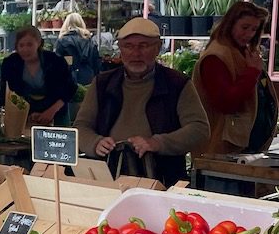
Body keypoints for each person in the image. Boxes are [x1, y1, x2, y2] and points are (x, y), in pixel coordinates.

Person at [76, 17, 209, 185]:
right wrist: (95, 143)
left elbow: (199, 129)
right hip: (107, 176)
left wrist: (157, 143)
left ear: (158, 48)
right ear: (121, 49)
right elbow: (81, 127)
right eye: (128, 46)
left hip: (161, 178)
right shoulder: (102, 83)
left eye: (144, 46)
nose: (136, 53)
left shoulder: (177, 84)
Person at [193, 0, 279, 154]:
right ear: (230, 24)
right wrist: (252, 72)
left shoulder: (242, 52)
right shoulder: (216, 57)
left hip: (243, 147)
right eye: (244, 27)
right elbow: (226, 102)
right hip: (222, 150)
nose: (249, 34)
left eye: (254, 29)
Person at [1, 26, 75, 127]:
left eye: (29, 45)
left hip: (56, 111)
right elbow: (8, 93)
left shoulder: (55, 61)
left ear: (39, 43)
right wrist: (27, 113)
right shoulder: (10, 63)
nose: (25, 49)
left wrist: (51, 112)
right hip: (25, 113)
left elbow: (69, 88)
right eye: (21, 45)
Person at [56, 12, 102, 88]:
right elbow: (96, 64)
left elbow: (58, 64)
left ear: (66, 24)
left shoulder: (62, 41)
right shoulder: (90, 41)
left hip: (68, 80)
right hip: (88, 78)